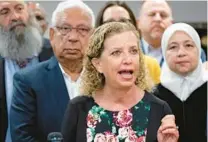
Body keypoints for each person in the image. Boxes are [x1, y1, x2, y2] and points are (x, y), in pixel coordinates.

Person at [61, 22, 179, 142]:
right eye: (116, 53)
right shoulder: (78, 108)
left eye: (133, 51)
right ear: (98, 64)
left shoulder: (159, 109)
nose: (128, 60)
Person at [10, 0, 95, 141]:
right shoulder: (28, 81)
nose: (73, 37)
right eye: (65, 29)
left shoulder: (105, 79)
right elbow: (21, 137)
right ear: (51, 35)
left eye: (82, 30)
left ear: (93, 37)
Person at [0, 0, 53, 141]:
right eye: (4, 12)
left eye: (19, 8)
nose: (15, 17)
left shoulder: (55, 54)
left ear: (28, 11)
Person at [155, 23, 207, 142]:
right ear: (164, 52)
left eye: (188, 45)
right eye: (173, 47)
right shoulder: (154, 96)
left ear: (198, 49)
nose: (181, 53)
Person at [96, 1, 161, 85]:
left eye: (124, 22)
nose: (118, 28)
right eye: (109, 23)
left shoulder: (150, 65)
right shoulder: (91, 66)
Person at [137, 0, 207, 66]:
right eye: (152, 14)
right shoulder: (128, 53)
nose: (158, 19)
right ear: (138, 23)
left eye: (163, 15)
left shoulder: (194, 53)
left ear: (172, 23)